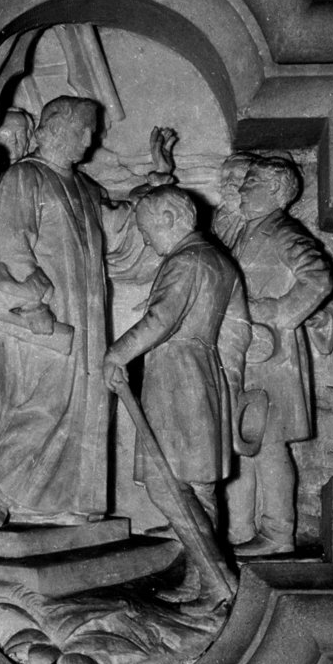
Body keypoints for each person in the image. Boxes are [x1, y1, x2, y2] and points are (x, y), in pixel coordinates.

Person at [0, 96, 172, 526]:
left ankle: (65, 503)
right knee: (36, 406)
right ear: (55, 126)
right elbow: (7, 248)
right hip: (43, 324)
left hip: (86, 323)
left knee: (84, 409)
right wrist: (31, 305)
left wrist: (159, 181)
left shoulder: (85, 188)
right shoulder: (24, 178)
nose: (92, 138)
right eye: (84, 129)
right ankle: (2, 496)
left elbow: (122, 228)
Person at [103, 186, 250, 603]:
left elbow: (161, 318)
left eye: (148, 232)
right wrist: (230, 383)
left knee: (167, 486)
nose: (147, 242)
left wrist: (117, 353)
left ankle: (219, 581)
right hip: (205, 376)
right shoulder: (221, 262)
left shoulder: (186, 260)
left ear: (170, 219)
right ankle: (200, 579)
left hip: (176, 379)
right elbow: (238, 333)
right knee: (199, 488)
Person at [227, 156, 333, 556]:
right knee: (241, 444)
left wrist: (275, 312)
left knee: (269, 446)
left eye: (250, 181)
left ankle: (277, 534)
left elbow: (319, 278)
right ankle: (239, 532)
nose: (241, 188)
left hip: (272, 357)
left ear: (274, 190)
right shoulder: (249, 231)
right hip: (247, 353)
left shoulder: (281, 232)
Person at [211, 152, 256, 248]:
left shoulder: (254, 220)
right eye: (225, 175)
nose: (229, 182)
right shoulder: (214, 216)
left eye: (240, 176)